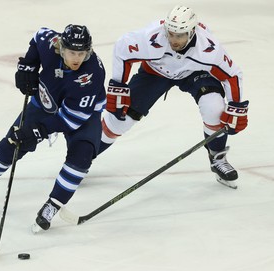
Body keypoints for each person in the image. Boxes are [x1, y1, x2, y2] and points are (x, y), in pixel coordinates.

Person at [0, 24, 106, 231]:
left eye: (81, 53)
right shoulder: (50, 43)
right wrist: (29, 65)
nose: (76, 58)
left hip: (82, 116)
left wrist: (39, 130)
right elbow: (38, 34)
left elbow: (71, 120)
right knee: (13, 142)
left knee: (82, 156)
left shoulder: (92, 73)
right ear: (61, 46)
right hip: (45, 102)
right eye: (71, 52)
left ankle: (53, 205)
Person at [99, 5, 248, 188]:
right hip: (156, 72)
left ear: (191, 32)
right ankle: (85, 156)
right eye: (170, 33)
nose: (173, 40)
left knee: (214, 108)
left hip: (195, 73)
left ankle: (217, 158)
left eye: (179, 35)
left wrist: (236, 107)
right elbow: (123, 48)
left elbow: (232, 75)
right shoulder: (151, 37)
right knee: (120, 120)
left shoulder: (208, 48)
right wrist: (118, 85)